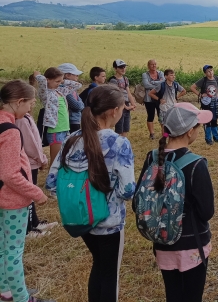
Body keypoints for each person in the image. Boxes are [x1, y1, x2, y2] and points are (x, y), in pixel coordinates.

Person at [45, 85, 136, 302]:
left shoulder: (72, 138)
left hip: (81, 219)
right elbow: (127, 191)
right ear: (114, 110)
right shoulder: (119, 143)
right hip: (109, 222)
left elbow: (51, 182)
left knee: (99, 266)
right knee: (109, 275)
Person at [134, 103, 214, 302]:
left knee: (173, 295)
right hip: (192, 245)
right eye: (197, 126)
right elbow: (207, 211)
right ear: (189, 132)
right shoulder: (196, 164)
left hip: (162, 243)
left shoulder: (152, 158)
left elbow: (138, 202)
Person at [0, 80, 52, 302]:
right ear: (18, 102)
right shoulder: (10, 131)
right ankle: (21, 297)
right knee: (13, 251)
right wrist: (36, 193)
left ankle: (5, 289)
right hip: (13, 200)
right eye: (30, 103)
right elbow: (10, 174)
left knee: (3, 247)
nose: (31, 108)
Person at [14, 110, 57, 239]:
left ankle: (35, 223)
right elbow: (30, 144)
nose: (33, 103)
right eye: (31, 101)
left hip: (32, 162)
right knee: (29, 195)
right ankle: (28, 229)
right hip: (29, 162)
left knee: (31, 195)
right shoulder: (21, 119)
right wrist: (41, 159)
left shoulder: (25, 117)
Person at [33, 67, 81, 164]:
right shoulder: (45, 94)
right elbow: (42, 81)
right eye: (57, 81)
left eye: (60, 81)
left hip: (65, 129)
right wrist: (37, 75)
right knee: (55, 161)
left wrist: (62, 81)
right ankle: (52, 178)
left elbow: (77, 85)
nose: (59, 83)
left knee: (63, 158)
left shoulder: (59, 91)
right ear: (48, 80)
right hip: (55, 130)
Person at [190, 65, 218, 145]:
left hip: (215, 102)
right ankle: (208, 138)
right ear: (205, 73)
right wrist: (200, 95)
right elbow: (192, 87)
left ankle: (216, 137)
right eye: (208, 71)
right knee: (207, 120)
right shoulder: (203, 80)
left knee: (214, 119)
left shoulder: (216, 78)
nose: (210, 72)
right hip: (206, 103)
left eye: (211, 70)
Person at [108, 60, 136, 138]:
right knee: (119, 128)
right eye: (120, 67)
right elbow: (116, 96)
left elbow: (128, 92)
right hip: (119, 105)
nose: (123, 69)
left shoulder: (125, 79)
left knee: (125, 128)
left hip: (126, 104)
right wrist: (125, 107)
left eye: (124, 67)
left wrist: (133, 103)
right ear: (115, 68)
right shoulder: (113, 80)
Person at [57, 63, 85, 133]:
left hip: (75, 120)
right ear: (67, 75)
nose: (77, 76)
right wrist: (81, 105)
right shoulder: (64, 89)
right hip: (71, 121)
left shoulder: (72, 88)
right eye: (75, 74)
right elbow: (78, 106)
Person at [142, 59, 165, 140]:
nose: (154, 66)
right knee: (150, 115)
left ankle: (164, 134)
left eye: (155, 64)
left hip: (160, 98)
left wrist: (152, 82)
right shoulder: (145, 74)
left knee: (162, 116)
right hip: (149, 99)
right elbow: (146, 85)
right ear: (148, 66)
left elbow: (164, 83)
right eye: (152, 64)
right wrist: (158, 84)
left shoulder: (161, 73)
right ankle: (152, 134)